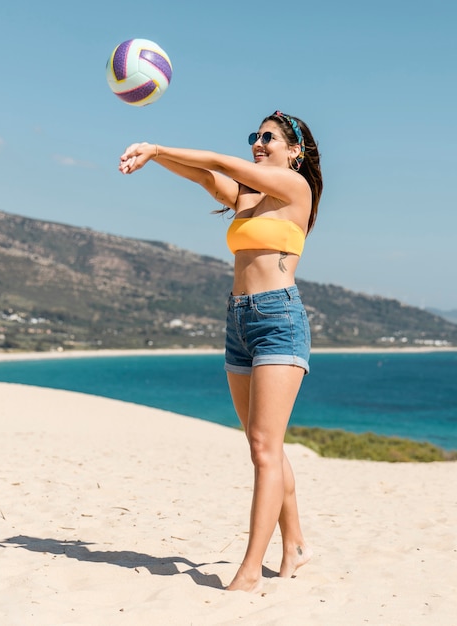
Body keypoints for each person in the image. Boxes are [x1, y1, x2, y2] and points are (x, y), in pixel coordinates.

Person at [118, 111, 323, 592]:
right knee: (263, 444)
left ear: (295, 152)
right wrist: (158, 156)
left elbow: (217, 161)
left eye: (268, 137)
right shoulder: (248, 199)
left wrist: (157, 145)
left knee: (263, 447)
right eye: (255, 136)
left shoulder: (296, 191)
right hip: (239, 321)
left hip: (279, 321)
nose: (258, 143)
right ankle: (295, 542)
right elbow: (206, 175)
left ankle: (251, 570)